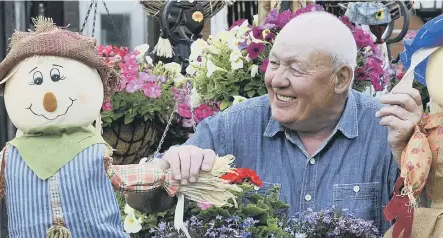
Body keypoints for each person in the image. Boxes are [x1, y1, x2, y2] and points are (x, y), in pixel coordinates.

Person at [126, 11, 422, 233]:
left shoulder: (386, 131)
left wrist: (411, 158)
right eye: (275, 63)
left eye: (296, 69)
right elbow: (144, 203)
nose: (277, 80)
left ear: (341, 78)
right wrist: (167, 168)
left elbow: (431, 221)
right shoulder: (233, 128)